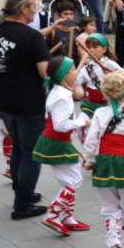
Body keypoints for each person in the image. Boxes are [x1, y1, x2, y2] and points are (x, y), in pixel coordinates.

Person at [0, 0, 51, 218]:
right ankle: (22, 205)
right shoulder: (32, 37)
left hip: (2, 101)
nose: (36, 12)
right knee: (31, 153)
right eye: (34, 7)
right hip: (28, 102)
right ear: (23, 9)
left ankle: (22, 190)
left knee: (18, 147)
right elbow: (46, 72)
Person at [82, 69, 124, 248]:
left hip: (105, 163)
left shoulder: (99, 113)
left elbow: (91, 141)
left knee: (109, 206)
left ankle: (114, 243)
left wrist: (90, 160)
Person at [34, 55, 92, 236]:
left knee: (68, 180)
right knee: (74, 180)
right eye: (73, 69)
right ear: (64, 76)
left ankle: (67, 217)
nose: (76, 72)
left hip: (57, 140)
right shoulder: (62, 97)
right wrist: (83, 123)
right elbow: (60, 124)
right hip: (56, 142)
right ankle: (53, 214)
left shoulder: (60, 93)